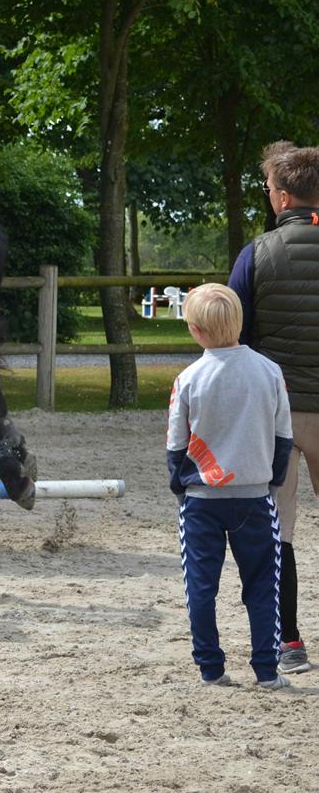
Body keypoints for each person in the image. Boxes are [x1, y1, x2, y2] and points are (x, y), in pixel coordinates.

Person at [167, 283, 293, 690]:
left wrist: (179, 486)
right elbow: (283, 437)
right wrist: (271, 479)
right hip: (254, 497)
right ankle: (267, 670)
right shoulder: (269, 372)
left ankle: (211, 668)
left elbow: (177, 444)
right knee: (262, 586)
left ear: (196, 330)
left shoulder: (188, 379)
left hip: (202, 499)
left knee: (201, 587)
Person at [228, 142, 319, 675]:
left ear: (282, 195)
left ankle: (289, 642)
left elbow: (234, 335)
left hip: (280, 414)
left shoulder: (256, 254)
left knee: (278, 529)